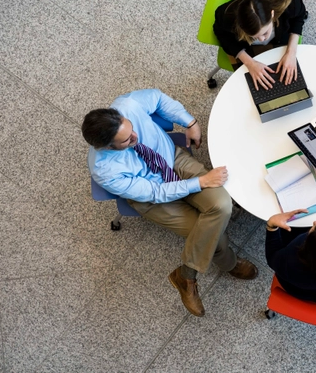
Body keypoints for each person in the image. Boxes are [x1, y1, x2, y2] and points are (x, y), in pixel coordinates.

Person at [82, 89, 258, 317]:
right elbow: (157, 192)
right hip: (152, 197)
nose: (135, 136)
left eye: (131, 127)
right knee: (215, 237)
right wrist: (201, 182)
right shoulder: (105, 170)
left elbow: (158, 99)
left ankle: (186, 274)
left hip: (172, 159)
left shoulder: (127, 105)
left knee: (222, 204)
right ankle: (229, 264)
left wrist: (190, 121)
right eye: (126, 140)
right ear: (107, 147)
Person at [213, 0, 307, 91]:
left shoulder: (291, 3)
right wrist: (250, 63)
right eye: (254, 36)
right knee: (253, 89)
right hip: (246, 48)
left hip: (280, 40)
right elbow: (221, 34)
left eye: (265, 32)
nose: (262, 39)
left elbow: (299, 17)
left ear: (272, 14)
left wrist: (291, 52)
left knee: (291, 83)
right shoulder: (226, 15)